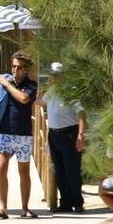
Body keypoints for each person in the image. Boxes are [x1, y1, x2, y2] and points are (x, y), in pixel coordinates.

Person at [0, 51, 38, 219]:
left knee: (24, 171)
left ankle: (25, 208)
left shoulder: (31, 85)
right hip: (3, 133)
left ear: (26, 70)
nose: (15, 70)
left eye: (19, 67)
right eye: (14, 66)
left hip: (23, 134)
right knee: (1, 167)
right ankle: (3, 207)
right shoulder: (2, 81)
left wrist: (6, 84)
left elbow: (23, 98)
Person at [36, 62, 86, 213]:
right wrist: (33, 93)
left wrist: (81, 135)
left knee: (72, 170)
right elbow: (39, 102)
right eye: (52, 75)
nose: (54, 77)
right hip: (54, 134)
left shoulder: (72, 91)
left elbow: (81, 114)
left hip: (69, 134)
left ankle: (77, 202)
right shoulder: (51, 91)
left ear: (63, 75)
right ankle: (65, 202)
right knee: (59, 170)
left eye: (57, 74)